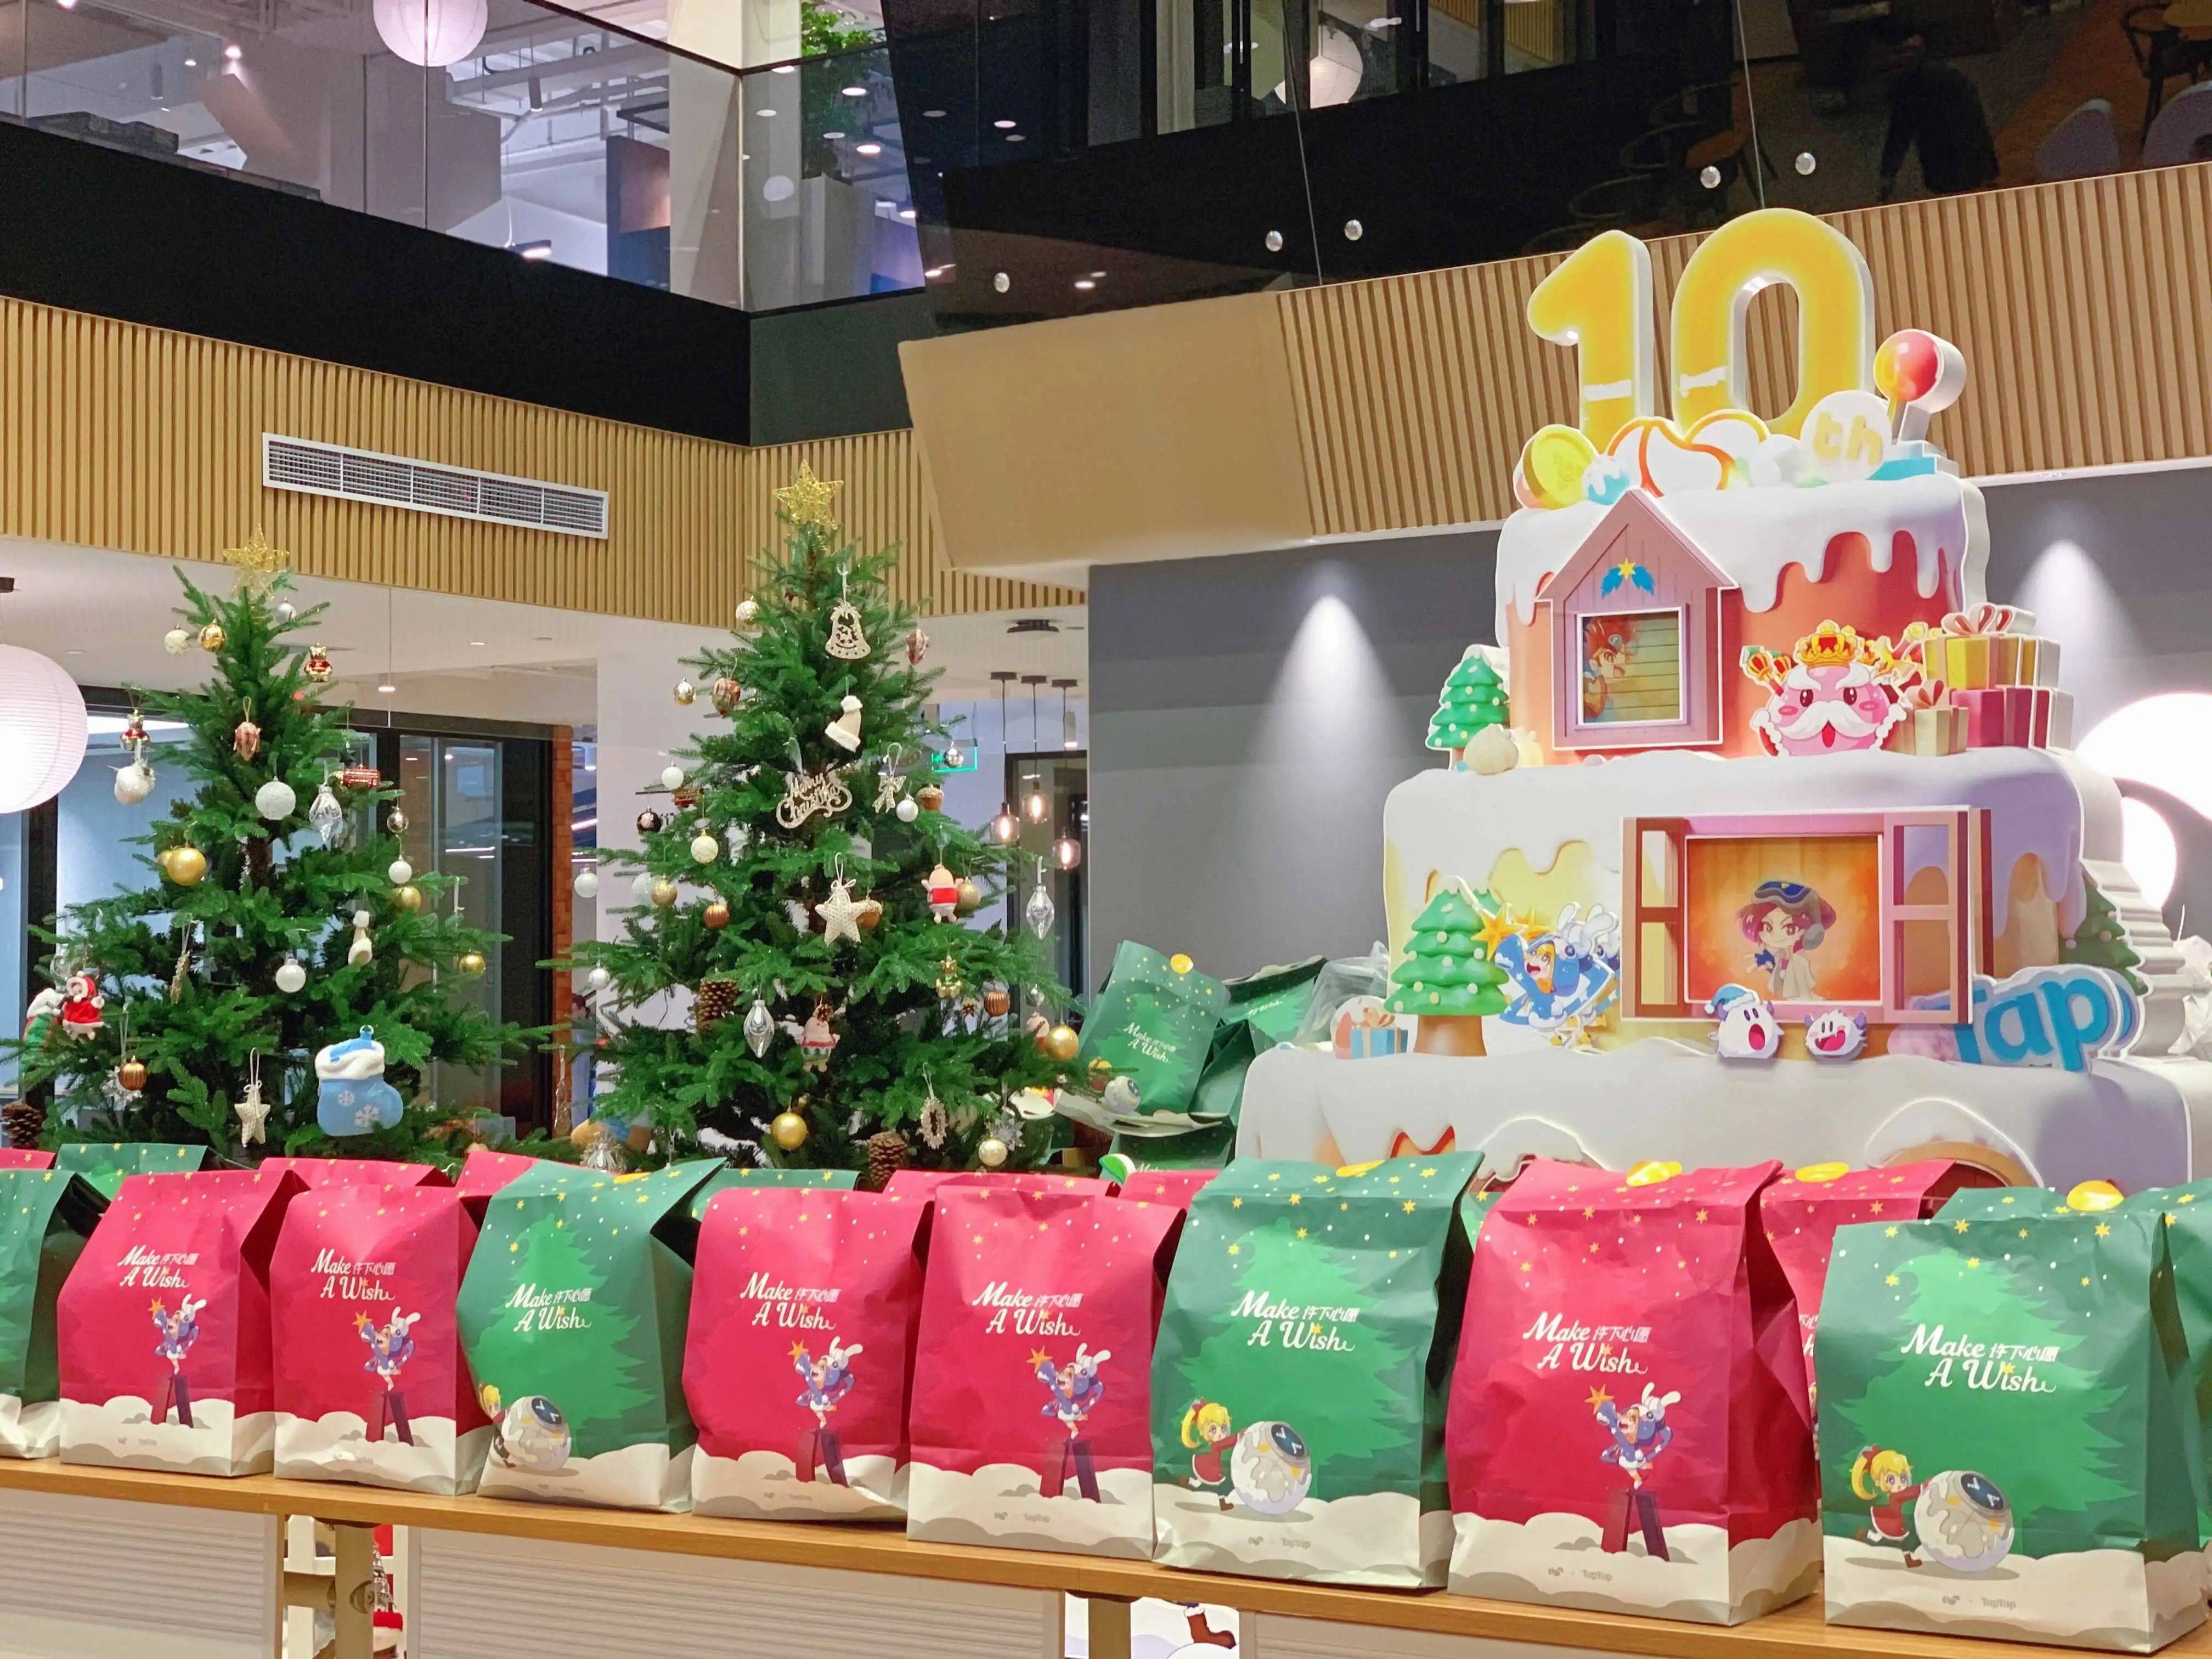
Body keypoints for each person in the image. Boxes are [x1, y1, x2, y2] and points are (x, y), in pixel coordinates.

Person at [1878, 29, 1999, 200]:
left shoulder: (1911, 87)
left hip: (1945, 163)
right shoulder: (1950, 78)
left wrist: (1888, 174)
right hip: (1959, 160)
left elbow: (1899, 133)